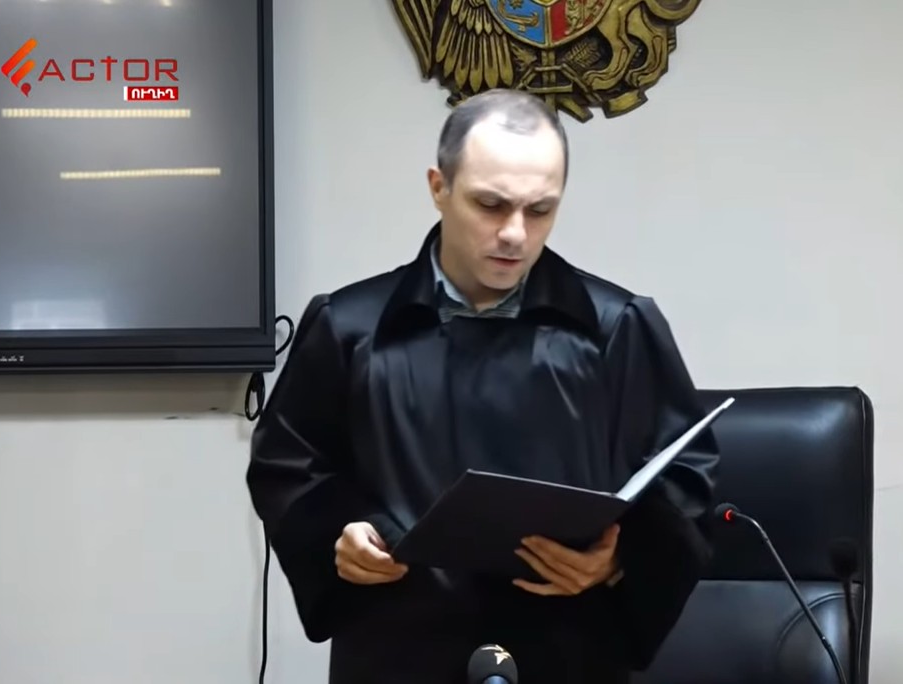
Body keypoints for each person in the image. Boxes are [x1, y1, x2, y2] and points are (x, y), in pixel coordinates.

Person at [246, 88, 720, 684]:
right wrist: (338, 534)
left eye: (540, 210)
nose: (515, 234)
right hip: (399, 645)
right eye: (490, 205)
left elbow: (685, 475)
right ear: (438, 187)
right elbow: (288, 465)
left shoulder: (615, 329)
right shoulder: (350, 328)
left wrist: (621, 558)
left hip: (567, 647)